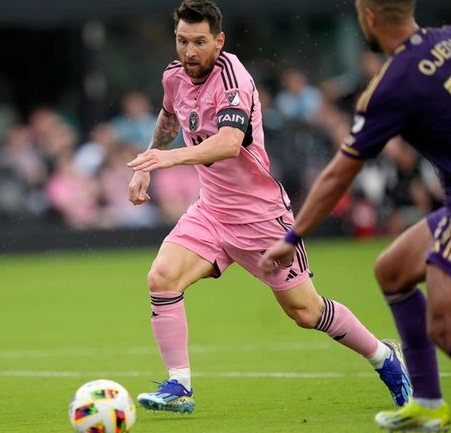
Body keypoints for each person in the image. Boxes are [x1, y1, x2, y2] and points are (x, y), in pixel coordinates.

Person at [127, 0, 411, 415]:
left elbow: (227, 144)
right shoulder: (174, 76)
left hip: (261, 218)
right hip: (211, 211)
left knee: (306, 311)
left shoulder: (233, 79)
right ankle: (179, 385)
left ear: (218, 40)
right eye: (182, 41)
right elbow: (170, 116)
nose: (189, 52)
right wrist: (146, 163)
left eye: (199, 42)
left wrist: (164, 161)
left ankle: (385, 358)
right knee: (162, 277)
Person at [259, 0, 451, 430]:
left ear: (367, 17)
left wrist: (292, 238)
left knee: (449, 327)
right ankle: (426, 402)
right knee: (393, 270)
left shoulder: (392, 85)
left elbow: (337, 177)